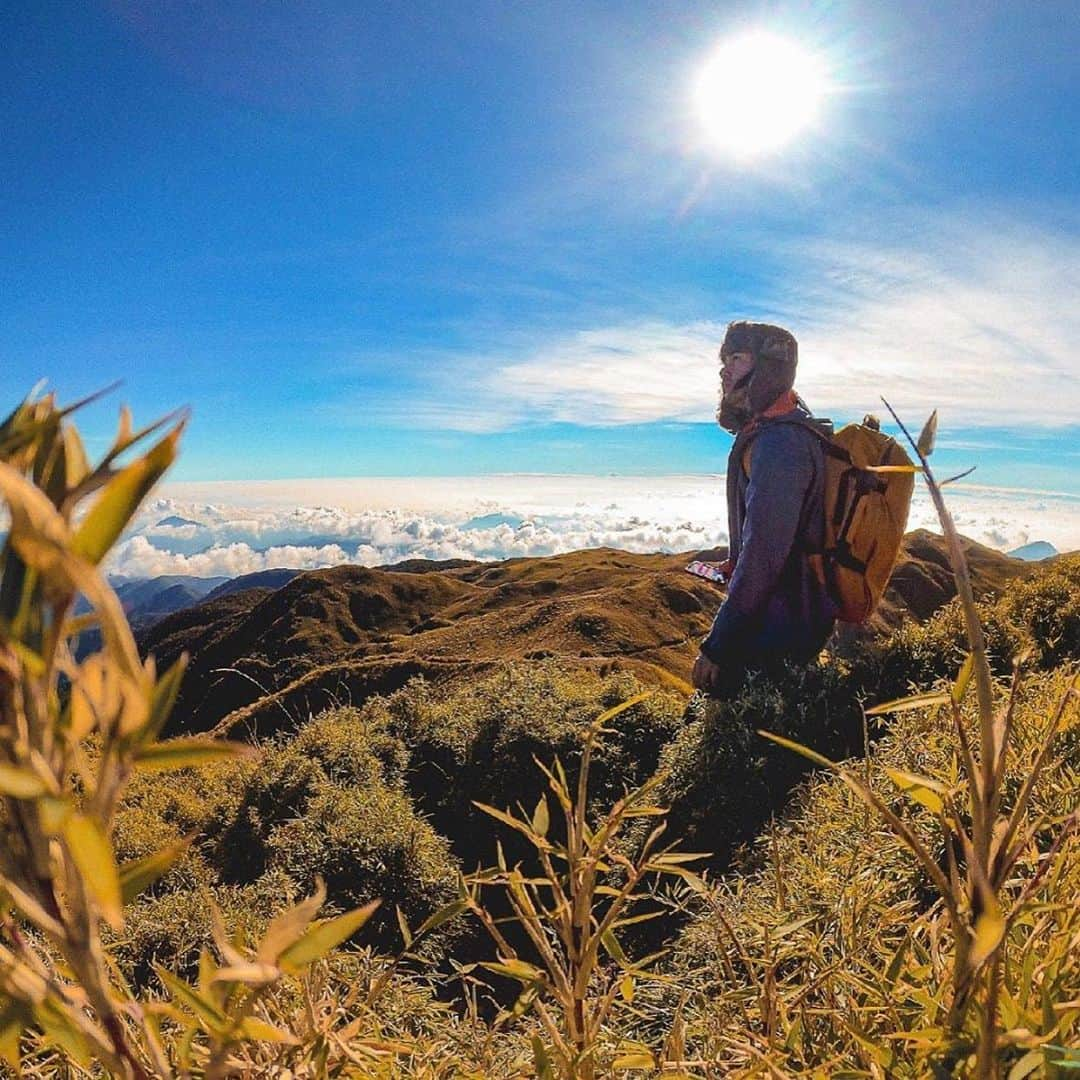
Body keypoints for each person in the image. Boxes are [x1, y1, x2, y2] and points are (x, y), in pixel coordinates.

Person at [692, 321, 837, 696]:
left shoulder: (780, 445)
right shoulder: (789, 432)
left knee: (734, 736)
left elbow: (764, 556)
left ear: (768, 367)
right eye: (725, 360)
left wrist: (718, 646)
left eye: (737, 358)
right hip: (790, 618)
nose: (724, 370)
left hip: (778, 629)